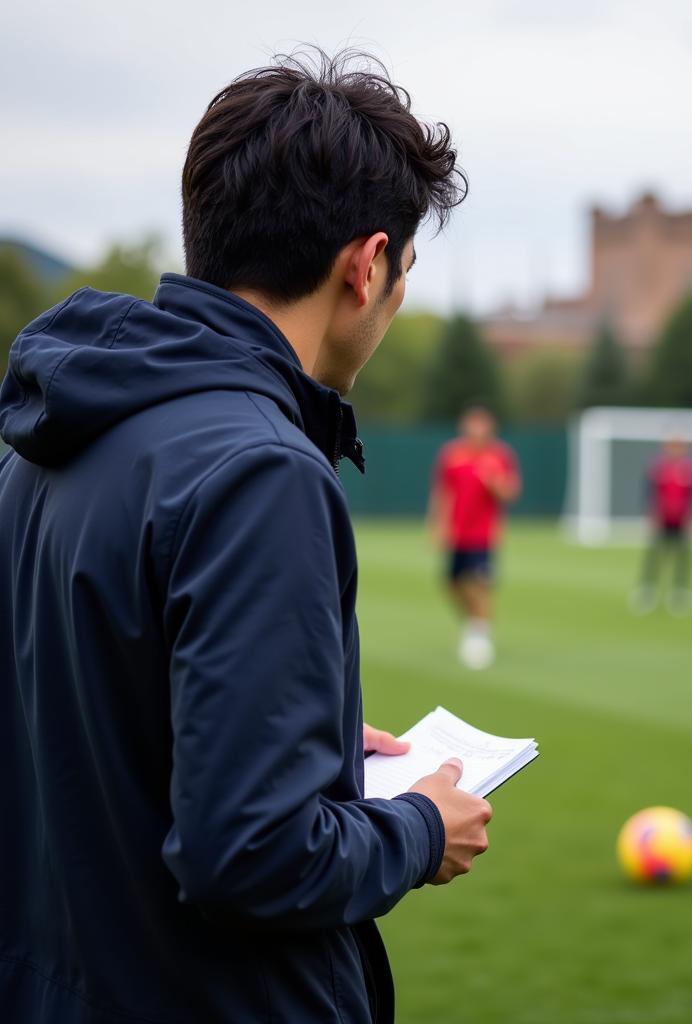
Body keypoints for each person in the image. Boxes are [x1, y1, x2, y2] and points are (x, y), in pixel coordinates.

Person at [0, 52, 494, 1024]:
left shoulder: (45, 436)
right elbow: (250, 854)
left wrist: (277, 741)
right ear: (368, 264)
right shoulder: (258, 467)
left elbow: (81, 721)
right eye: (404, 272)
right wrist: (417, 828)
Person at [429, 405, 521, 669]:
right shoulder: (452, 454)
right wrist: (437, 525)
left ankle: (479, 637)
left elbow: (510, 493)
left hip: (484, 535)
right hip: (457, 534)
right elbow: (442, 493)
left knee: (479, 584)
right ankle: (473, 624)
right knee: (453, 584)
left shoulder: (500, 456)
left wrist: (495, 483)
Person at [630, 436, 692, 615]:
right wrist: (651, 516)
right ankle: (648, 590)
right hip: (662, 519)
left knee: (682, 559)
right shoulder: (658, 467)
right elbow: (649, 492)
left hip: (681, 520)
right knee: (654, 557)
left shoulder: (691, 468)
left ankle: (680, 592)